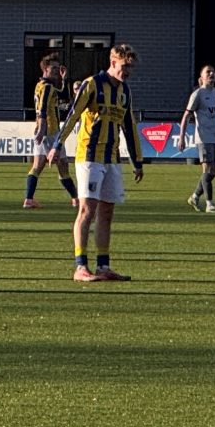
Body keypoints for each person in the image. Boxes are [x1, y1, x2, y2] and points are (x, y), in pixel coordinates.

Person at [57, 42, 146, 281]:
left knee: (107, 212)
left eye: (131, 67)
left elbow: (129, 126)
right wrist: (57, 145)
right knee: (87, 210)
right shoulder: (92, 85)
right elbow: (72, 115)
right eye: (124, 66)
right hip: (89, 157)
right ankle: (80, 266)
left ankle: (103, 266)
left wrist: (137, 160)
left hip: (112, 159)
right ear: (113, 62)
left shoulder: (125, 91)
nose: (127, 71)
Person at [24, 53, 80, 209]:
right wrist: (43, 129)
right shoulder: (48, 87)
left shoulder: (40, 85)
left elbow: (63, 95)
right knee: (63, 167)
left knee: (37, 167)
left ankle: (29, 199)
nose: (56, 70)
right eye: (53, 68)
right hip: (50, 131)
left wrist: (64, 78)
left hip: (44, 130)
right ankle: (75, 198)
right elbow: (42, 109)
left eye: (58, 68)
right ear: (45, 69)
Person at [180, 65, 215, 213]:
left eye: (213, 71)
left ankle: (194, 196)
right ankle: (209, 203)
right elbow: (186, 115)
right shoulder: (198, 94)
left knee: (213, 172)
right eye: (208, 72)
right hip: (203, 137)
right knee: (207, 169)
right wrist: (181, 137)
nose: (211, 74)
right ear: (202, 77)